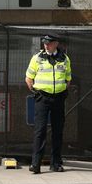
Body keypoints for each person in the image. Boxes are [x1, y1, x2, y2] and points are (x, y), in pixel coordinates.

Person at [25, 34, 71, 174]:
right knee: (40, 131)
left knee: (58, 131)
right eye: (45, 43)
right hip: (42, 99)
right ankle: (35, 164)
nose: (46, 45)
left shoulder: (64, 58)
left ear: (56, 43)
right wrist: (36, 92)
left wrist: (62, 91)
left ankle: (56, 163)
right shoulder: (37, 58)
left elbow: (68, 78)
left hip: (58, 99)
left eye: (49, 43)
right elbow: (28, 78)